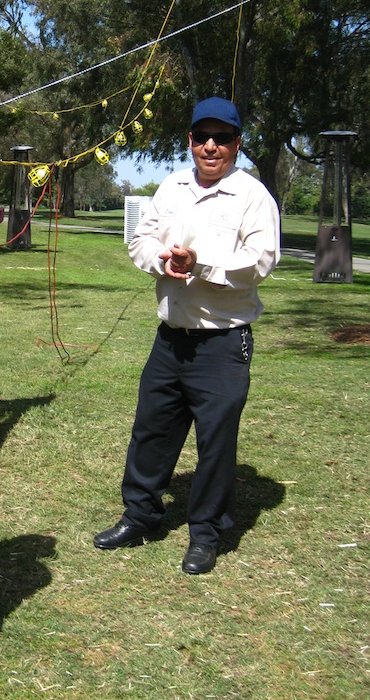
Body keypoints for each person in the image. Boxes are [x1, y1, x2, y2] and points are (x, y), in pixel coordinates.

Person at [94, 97, 280, 574]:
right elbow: (141, 239)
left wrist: (204, 265)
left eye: (222, 138)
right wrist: (162, 261)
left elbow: (261, 261)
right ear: (190, 141)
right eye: (202, 137)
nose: (211, 146)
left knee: (215, 443)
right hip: (170, 337)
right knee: (151, 431)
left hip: (223, 342)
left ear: (237, 144)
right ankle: (140, 515)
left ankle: (206, 534)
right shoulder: (171, 188)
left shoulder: (253, 196)